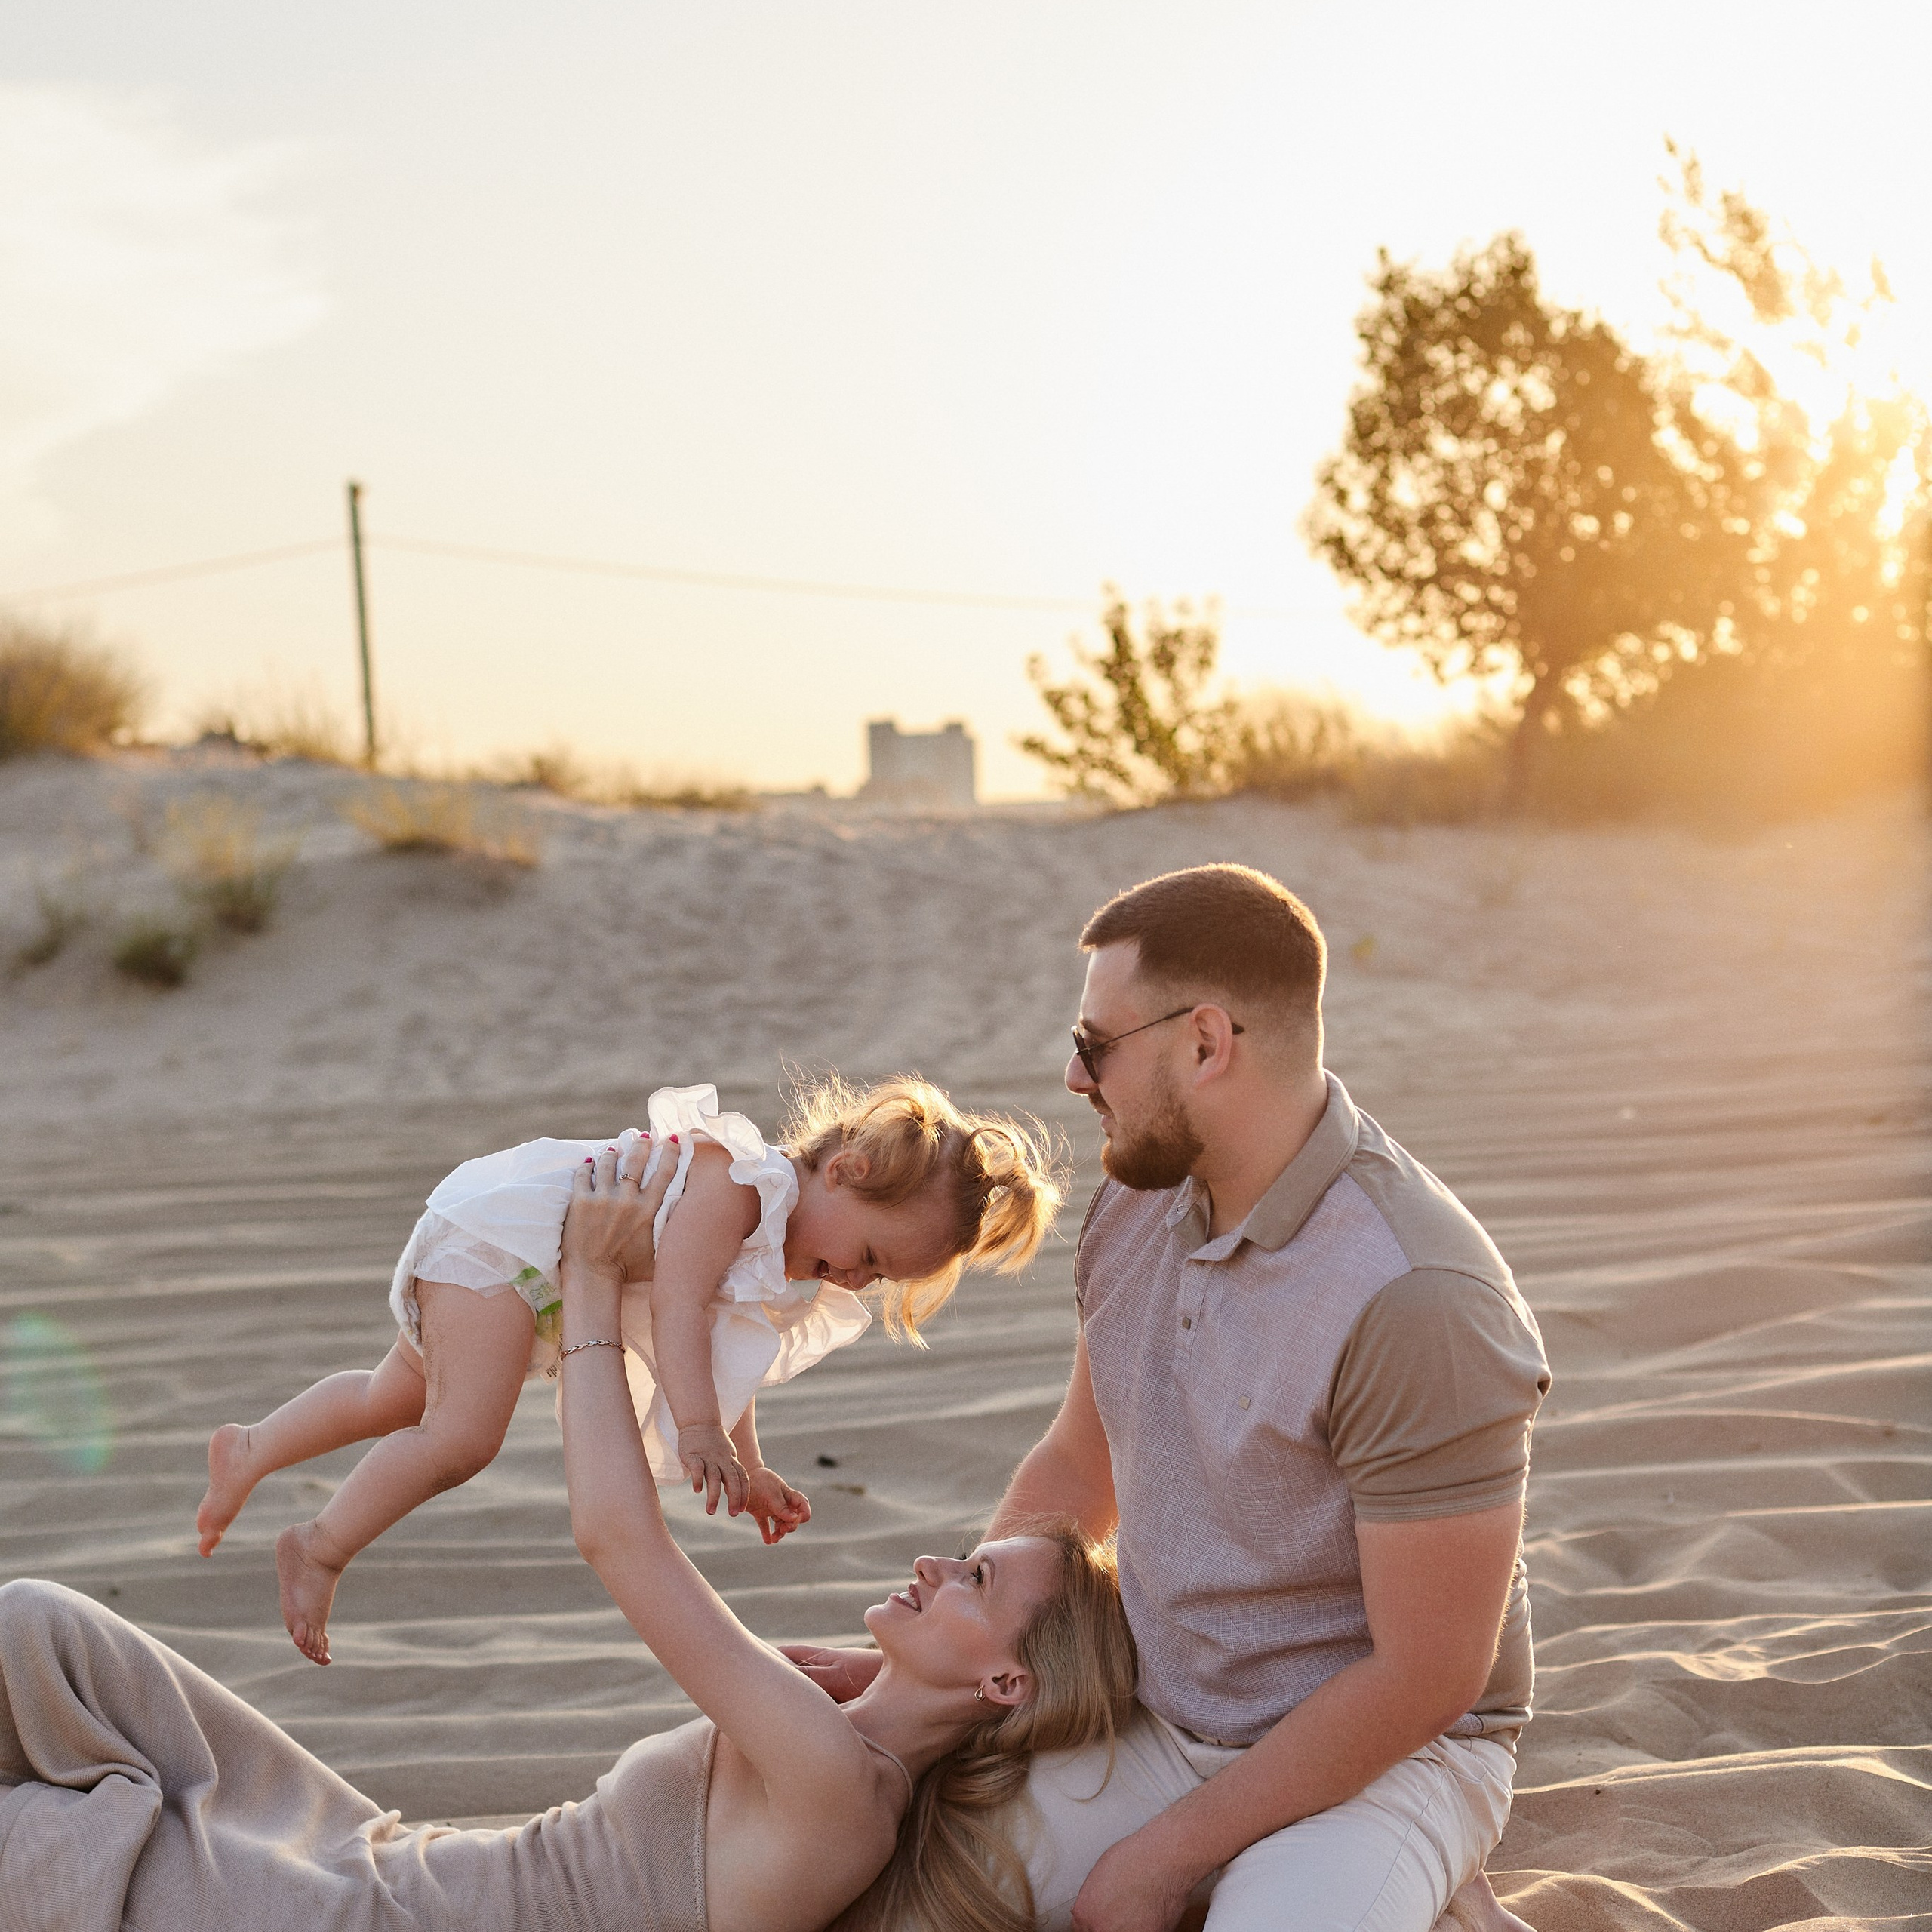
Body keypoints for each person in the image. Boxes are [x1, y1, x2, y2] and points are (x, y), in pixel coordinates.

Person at [0, 1142, 1134, 1932]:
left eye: (974, 1575)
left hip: (378, 1916)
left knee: (56, 1823)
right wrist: (869, 1667)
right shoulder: (833, 1730)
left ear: (1005, 1681)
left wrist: (589, 1281)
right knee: (41, 1630)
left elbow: (618, 1537)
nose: (936, 1559)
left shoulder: (841, 1784)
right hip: (387, 1858)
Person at [798, 865, 1551, 1932]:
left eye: (1095, 1043)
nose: (1073, 1075)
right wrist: (943, 1664)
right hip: (1154, 1712)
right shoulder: (1135, 1200)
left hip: (1383, 1756)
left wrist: (1161, 1858)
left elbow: (1428, 1677)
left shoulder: (1416, 1297)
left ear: (1205, 1043)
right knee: (863, 1875)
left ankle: (1416, 1874)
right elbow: (1079, 1467)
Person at [195, 1074, 1060, 1664]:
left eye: (879, 1278)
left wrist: (747, 1462)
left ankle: (252, 1446)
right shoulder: (740, 1186)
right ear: (845, 1170)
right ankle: (319, 1546)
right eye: (868, 1254)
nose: (858, 1280)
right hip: (509, 1246)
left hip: (536, 1279)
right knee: (459, 1439)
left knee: (394, 1396)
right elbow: (679, 1305)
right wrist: (696, 1431)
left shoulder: (782, 1255)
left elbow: (723, 1352)